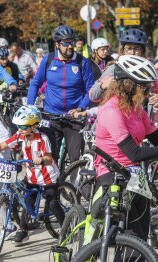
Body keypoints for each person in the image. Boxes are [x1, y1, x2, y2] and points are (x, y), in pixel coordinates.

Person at [95, 55, 158, 241]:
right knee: (129, 237)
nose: (148, 91)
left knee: (141, 236)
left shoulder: (136, 108)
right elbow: (134, 153)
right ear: (129, 85)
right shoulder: (111, 110)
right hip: (112, 174)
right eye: (144, 87)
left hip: (135, 175)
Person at [0, 105, 65, 243]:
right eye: (19, 126)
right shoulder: (19, 136)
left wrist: (41, 159)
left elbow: (49, 159)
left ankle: (66, 228)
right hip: (32, 176)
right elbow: (3, 145)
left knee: (53, 204)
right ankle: (23, 229)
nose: (20, 129)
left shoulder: (42, 139)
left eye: (24, 127)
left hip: (48, 177)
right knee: (26, 201)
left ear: (34, 125)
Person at [27, 25, 95, 167]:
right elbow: (35, 84)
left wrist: (81, 107)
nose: (70, 46)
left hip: (73, 118)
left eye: (72, 42)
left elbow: (91, 90)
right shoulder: (49, 60)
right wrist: (29, 106)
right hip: (51, 116)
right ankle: (54, 187)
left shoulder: (82, 62)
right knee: (50, 157)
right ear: (57, 44)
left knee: (76, 158)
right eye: (65, 43)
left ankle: (76, 188)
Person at [89, 28, 148, 103]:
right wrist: (103, 86)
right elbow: (93, 95)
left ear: (142, 50)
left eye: (136, 48)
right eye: (129, 48)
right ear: (123, 50)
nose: (132, 52)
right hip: (118, 112)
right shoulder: (114, 68)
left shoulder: (147, 69)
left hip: (140, 112)